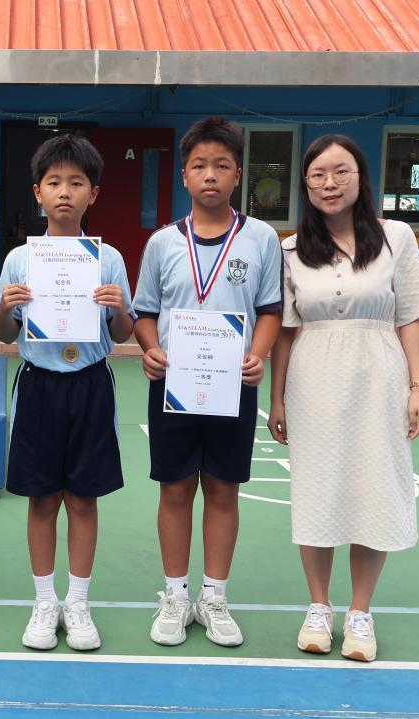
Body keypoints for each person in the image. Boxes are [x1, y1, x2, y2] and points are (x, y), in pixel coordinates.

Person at [267, 134, 419, 663]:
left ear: (361, 178)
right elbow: (286, 331)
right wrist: (275, 400)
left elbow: (409, 314)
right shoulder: (291, 249)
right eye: (318, 174)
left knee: (375, 488)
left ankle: (361, 613)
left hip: (380, 375)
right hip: (313, 377)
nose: (329, 183)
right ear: (305, 183)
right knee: (318, 489)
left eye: (341, 171)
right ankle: (318, 607)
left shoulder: (396, 237)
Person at [133, 117, 281, 649]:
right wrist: (150, 349)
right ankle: (175, 594)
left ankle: (213, 595)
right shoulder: (161, 243)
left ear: (238, 175)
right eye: (200, 166)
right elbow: (144, 312)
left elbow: (270, 310)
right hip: (173, 386)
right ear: (185, 176)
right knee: (175, 488)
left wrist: (258, 355)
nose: (210, 175)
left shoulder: (261, 238)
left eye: (222, 165)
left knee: (222, 488)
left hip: (233, 384)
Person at [0, 134, 135, 652]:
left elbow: (121, 335)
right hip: (38, 385)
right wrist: (6, 307)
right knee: (41, 498)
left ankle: (78, 601)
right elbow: (7, 336)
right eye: (55, 182)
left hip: (92, 384)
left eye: (77, 183)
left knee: (83, 497)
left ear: (93, 194)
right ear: (37, 192)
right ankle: (43, 600)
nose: (65, 192)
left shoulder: (110, 259)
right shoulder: (18, 261)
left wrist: (119, 307)